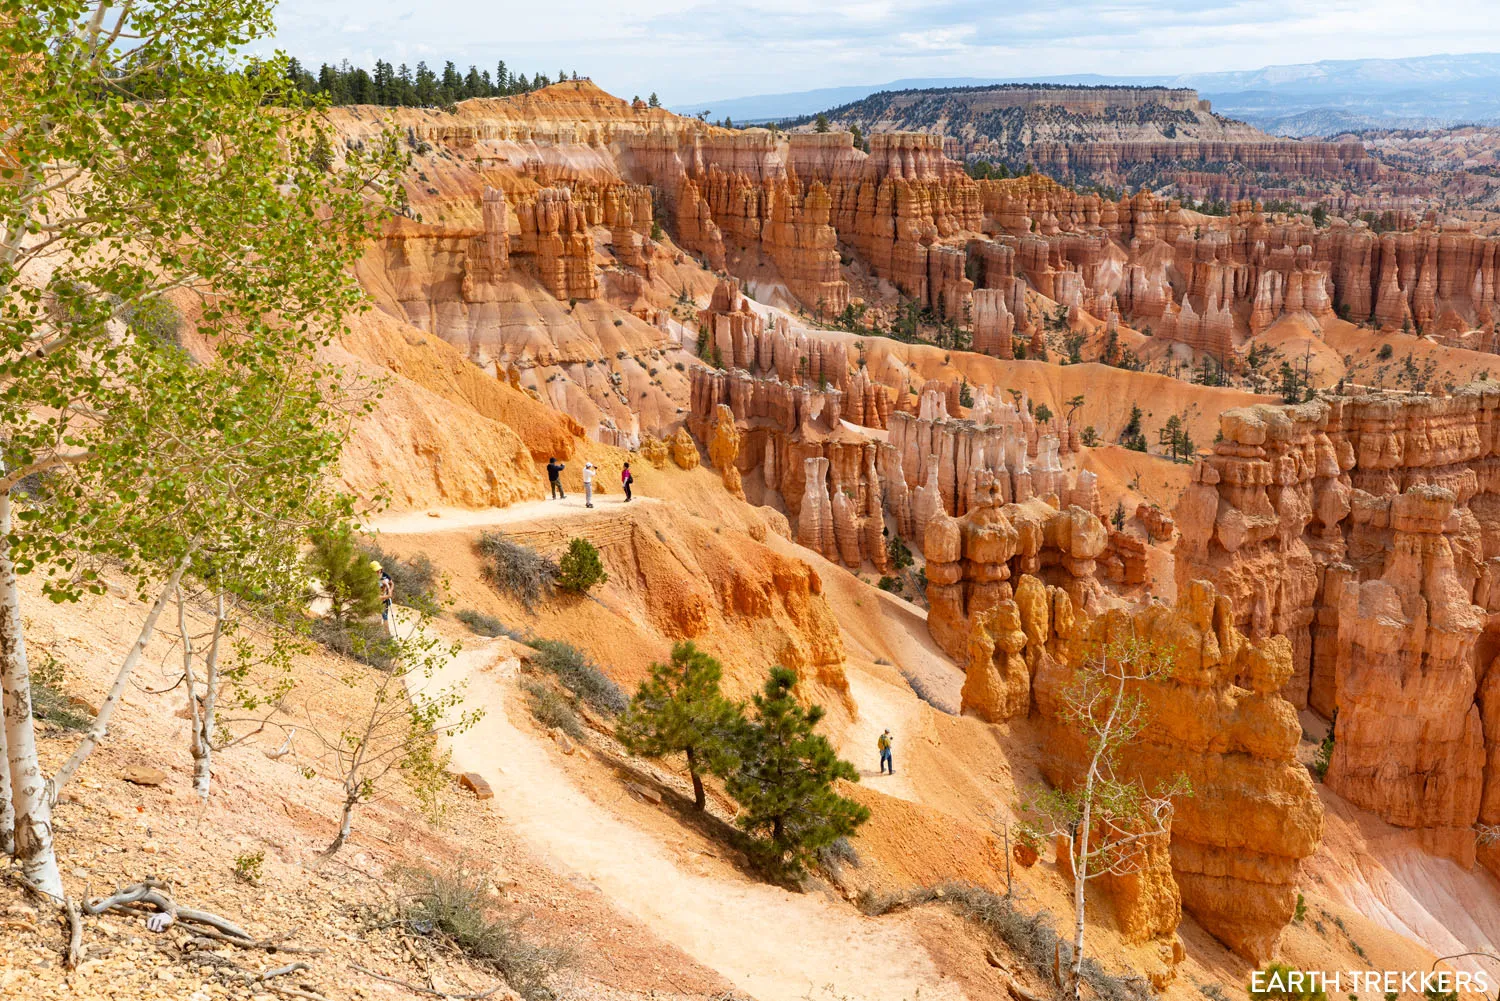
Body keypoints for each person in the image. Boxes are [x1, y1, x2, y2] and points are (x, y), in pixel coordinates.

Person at [377, 564, 395, 636]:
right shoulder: (370, 579)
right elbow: (376, 597)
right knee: (377, 617)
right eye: (376, 570)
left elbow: (392, 583)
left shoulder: (384, 575)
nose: (378, 571)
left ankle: (387, 634)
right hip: (378, 600)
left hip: (384, 600)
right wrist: (388, 595)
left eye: (379, 570)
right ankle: (379, 633)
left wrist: (390, 589)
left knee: (385, 616)